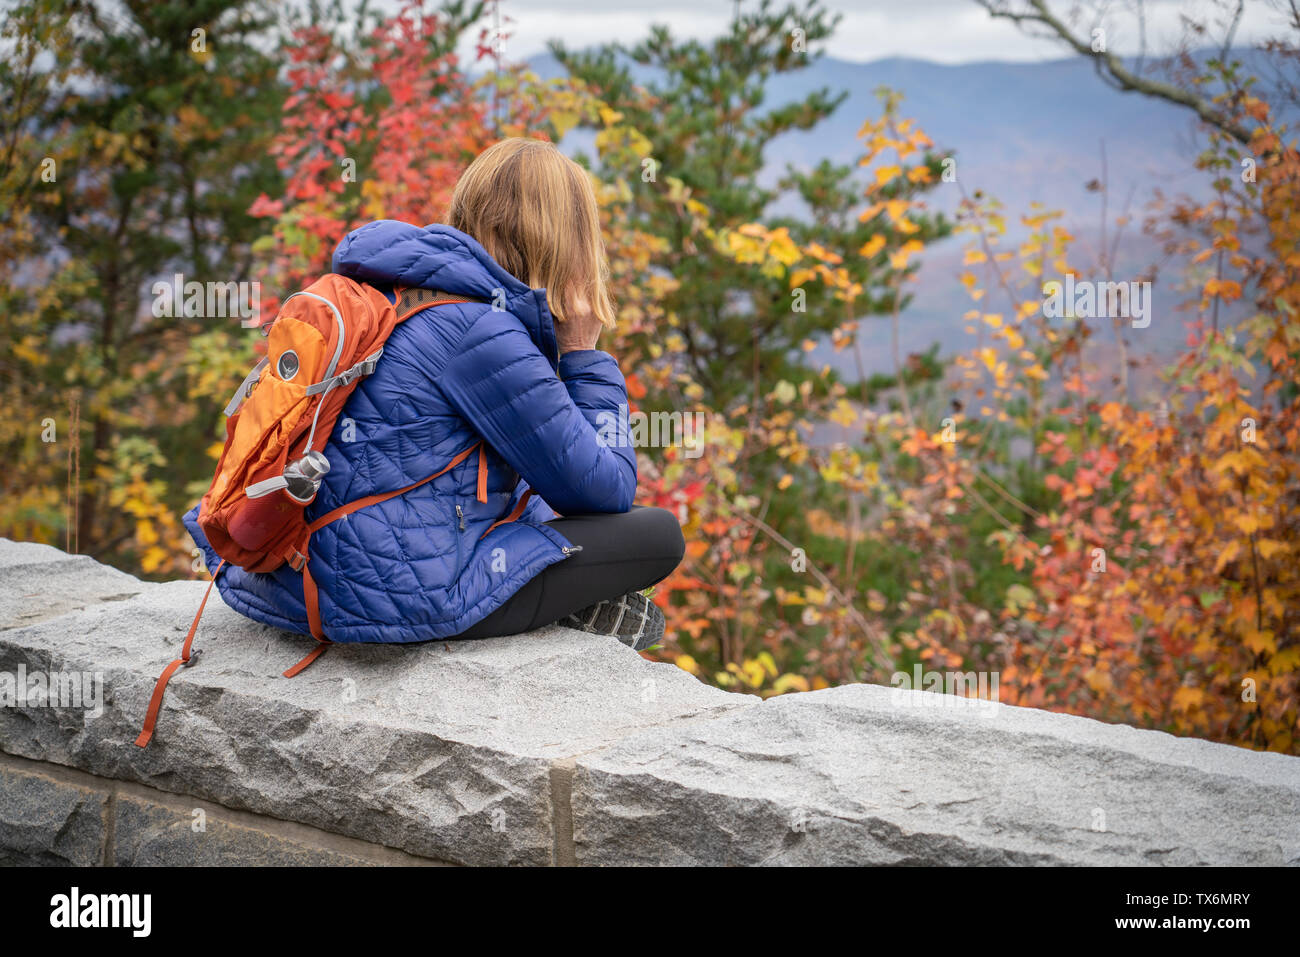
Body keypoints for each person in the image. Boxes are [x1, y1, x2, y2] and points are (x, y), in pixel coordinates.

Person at [184, 137, 684, 651]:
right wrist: (582, 354)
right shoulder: (480, 331)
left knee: (537, 506)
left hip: (281, 573)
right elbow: (608, 490)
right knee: (657, 537)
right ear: (566, 242)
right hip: (372, 597)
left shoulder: (393, 288)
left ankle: (572, 605)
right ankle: (571, 610)